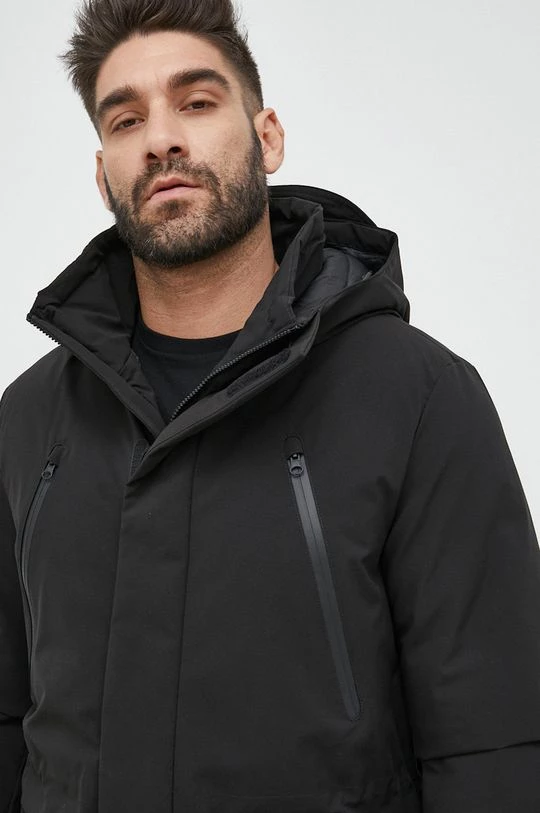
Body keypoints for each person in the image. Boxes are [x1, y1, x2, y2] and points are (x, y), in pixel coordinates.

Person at [1, 0, 539, 810]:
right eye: (126, 119)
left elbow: (493, 742)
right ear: (104, 174)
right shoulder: (29, 420)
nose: (161, 138)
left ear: (269, 137)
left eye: (197, 102)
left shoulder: (419, 396)